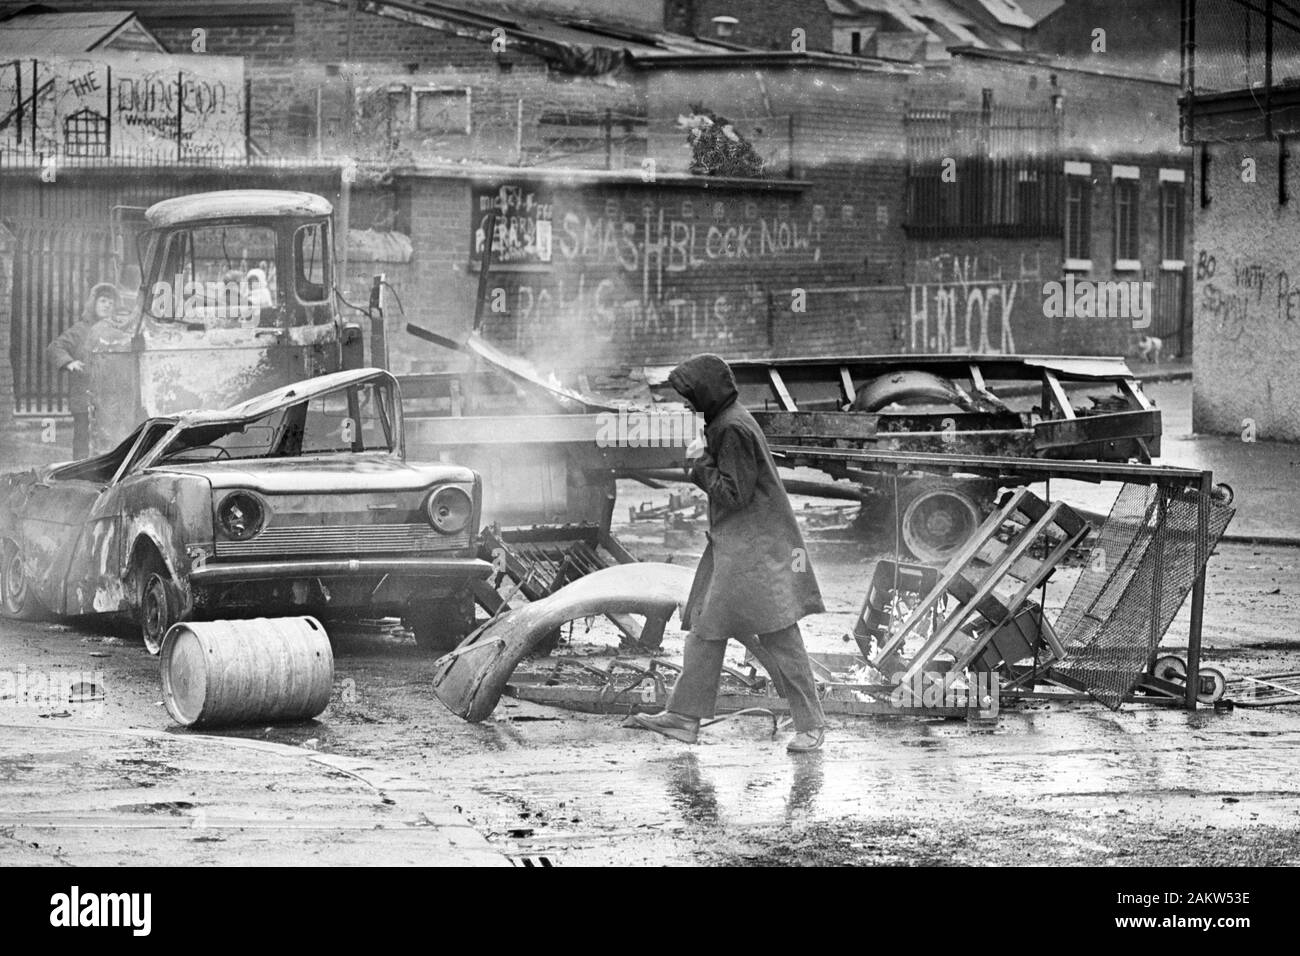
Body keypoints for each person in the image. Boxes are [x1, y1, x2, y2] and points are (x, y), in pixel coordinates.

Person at [633, 353, 828, 752]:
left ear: (706, 392)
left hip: (757, 550)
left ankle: (812, 725)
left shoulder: (731, 428)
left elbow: (734, 494)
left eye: (689, 396)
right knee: (706, 625)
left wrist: (699, 464)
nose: (686, 404)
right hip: (737, 544)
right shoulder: (725, 420)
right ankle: (683, 716)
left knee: (779, 633)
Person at [46, 282, 118, 460]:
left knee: (110, 441)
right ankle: (79, 471)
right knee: (82, 440)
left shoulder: (116, 330)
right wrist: (69, 362)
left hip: (108, 397)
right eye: (103, 301)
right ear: (93, 303)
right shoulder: (80, 330)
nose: (107, 305)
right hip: (83, 396)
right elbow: (55, 347)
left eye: (111, 302)